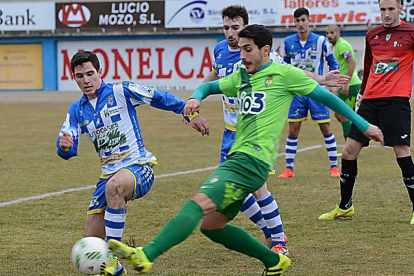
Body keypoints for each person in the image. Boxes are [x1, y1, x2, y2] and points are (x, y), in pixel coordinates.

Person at [108, 24, 383, 276]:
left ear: (265, 50)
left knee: (197, 204)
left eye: (248, 49)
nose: (242, 55)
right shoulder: (242, 75)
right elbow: (209, 85)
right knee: (212, 226)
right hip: (242, 158)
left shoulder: (285, 74)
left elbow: (328, 99)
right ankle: (274, 261)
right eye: (240, 49)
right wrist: (195, 97)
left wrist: (364, 124)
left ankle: (146, 254)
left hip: (250, 161)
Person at [202, 5, 350, 256]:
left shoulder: (258, 55)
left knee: (257, 186)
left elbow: (292, 73)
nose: (230, 33)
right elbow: (215, 75)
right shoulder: (219, 50)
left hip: (253, 132)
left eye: (235, 28)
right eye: (226, 27)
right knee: (234, 192)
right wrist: (197, 95)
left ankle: (279, 239)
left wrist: (323, 79)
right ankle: (270, 231)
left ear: (245, 28)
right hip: (230, 132)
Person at [57, 51, 209, 276]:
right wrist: (66, 146)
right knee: (91, 240)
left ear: (100, 72)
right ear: (74, 77)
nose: (86, 80)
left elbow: (158, 97)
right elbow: (67, 149)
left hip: (139, 166)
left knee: (114, 187)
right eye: (80, 76)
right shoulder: (76, 110)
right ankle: (116, 270)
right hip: (107, 174)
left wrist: (190, 113)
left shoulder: (120, 91)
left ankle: (112, 257)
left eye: (90, 74)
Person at [319, 0, 414, 224]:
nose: (387, 14)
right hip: (370, 101)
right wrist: (361, 95)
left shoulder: (410, 32)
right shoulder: (372, 34)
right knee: (348, 152)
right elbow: (369, 66)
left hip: (396, 101)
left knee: (402, 152)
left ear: (400, 9)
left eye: (391, 9)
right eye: (383, 9)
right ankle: (345, 207)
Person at [278, 8, 341, 179]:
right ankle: (289, 169)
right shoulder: (288, 42)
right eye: (297, 20)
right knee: (293, 129)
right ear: (294, 22)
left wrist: (333, 84)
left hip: (316, 91)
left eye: (303, 20)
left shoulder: (321, 41)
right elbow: (284, 67)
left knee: (325, 127)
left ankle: (334, 167)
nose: (300, 24)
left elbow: (333, 63)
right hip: (297, 93)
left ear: (309, 20)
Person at [326, 24, 362, 141]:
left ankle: (350, 142)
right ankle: (355, 137)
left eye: (332, 33)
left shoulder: (342, 45)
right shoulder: (337, 46)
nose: (329, 35)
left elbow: (352, 62)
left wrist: (346, 83)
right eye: (327, 33)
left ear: (338, 33)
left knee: (343, 114)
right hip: (346, 84)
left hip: (351, 85)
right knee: (339, 114)